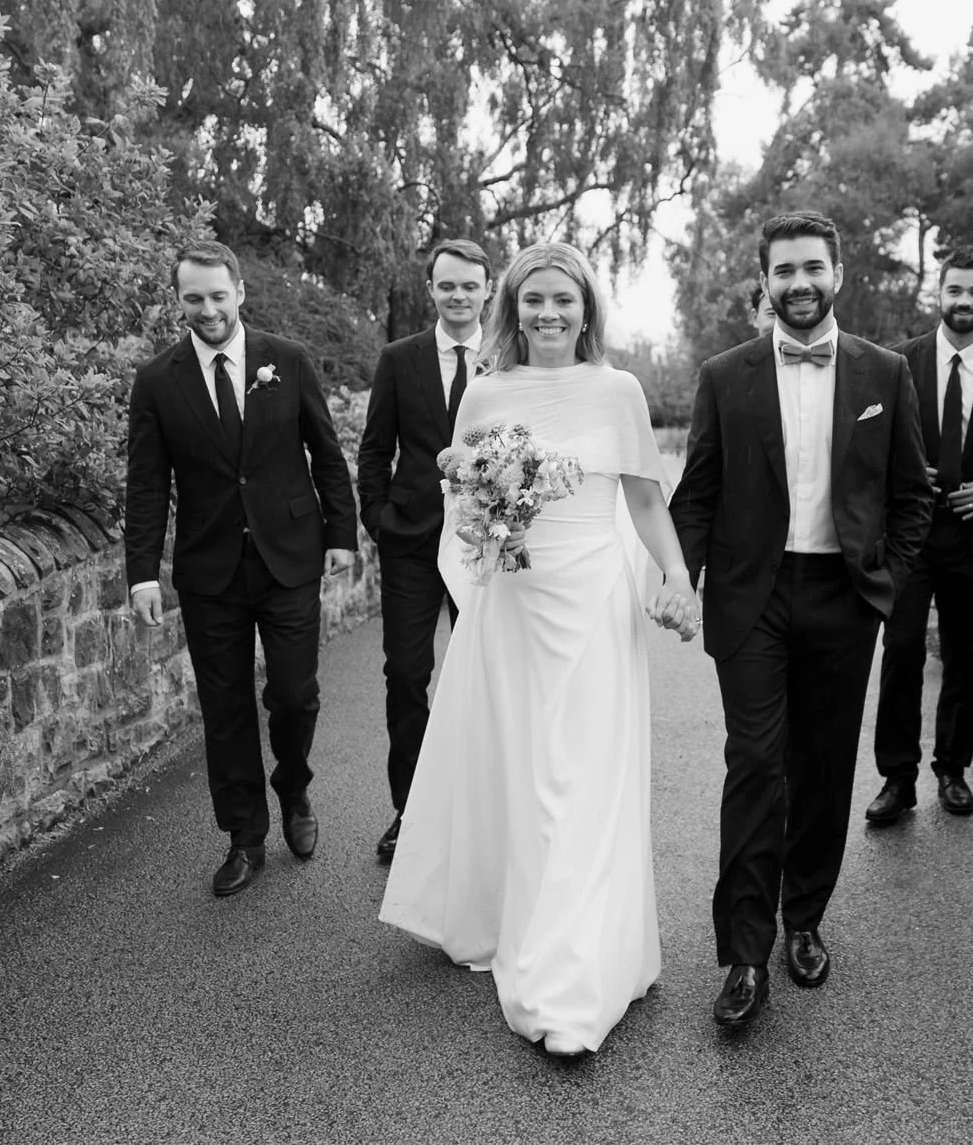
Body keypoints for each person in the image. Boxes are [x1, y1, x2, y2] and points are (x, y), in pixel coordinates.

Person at [379, 243, 700, 1058]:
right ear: (511, 309)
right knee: (524, 772)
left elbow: (644, 499)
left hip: (593, 600)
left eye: (563, 299)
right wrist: (494, 526)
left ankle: (571, 979)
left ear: (587, 308)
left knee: (581, 777)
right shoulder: (485, 392)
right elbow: (460, 504)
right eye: (533, 300)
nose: (549, 313)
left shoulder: (619, 390)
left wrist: (676, 574)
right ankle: (518, 920)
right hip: (513, 606)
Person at [668, 209, 931, 1028]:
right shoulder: (725, 375)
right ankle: (745, 951)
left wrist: (886, 580)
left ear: (837, 274)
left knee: (822, 766)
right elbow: (697, 493)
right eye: (784, 271)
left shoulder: (885, 372)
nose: (800, 283)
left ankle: (805, 917)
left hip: (842, 596)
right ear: (765, 281)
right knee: (755, 762)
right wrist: (679, 578)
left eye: (812, 267)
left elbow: (913, 496)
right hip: (752, 594)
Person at [125, 240, 358, 897]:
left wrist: (341, 534)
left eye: (218, 296)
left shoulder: (288, 359)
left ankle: (295, 789)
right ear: (179, 301)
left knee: (294, 695)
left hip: (290, 556)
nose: (208, 310)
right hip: (210, 569)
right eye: (193, 298)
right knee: (224, 708)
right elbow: (146, 485)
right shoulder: (157, 380)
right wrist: (142, 573)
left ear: (240, 293)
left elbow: (326, 453)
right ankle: (244, 837)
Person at [866, 245, 973, 825]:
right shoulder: (897, 363)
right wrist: (907, 470)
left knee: (966, 656)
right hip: (909, 538)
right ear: (938, 294)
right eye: (955, 290)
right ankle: (897, 778)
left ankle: (953, 769)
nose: (964, 301)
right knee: (902, 651)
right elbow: (867, 448)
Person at [356, 239, 494, 864]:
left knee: (486, 676)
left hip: (485, 546)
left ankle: (479, 810)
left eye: (469, 285)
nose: (458, 296)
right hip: (410, 542)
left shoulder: (509, 358)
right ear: (431, 290)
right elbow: (373, 449)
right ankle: (409, 812)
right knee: (408, 675)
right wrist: (378, 521)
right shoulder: (399, 358)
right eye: (447, 285)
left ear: (487, 290)